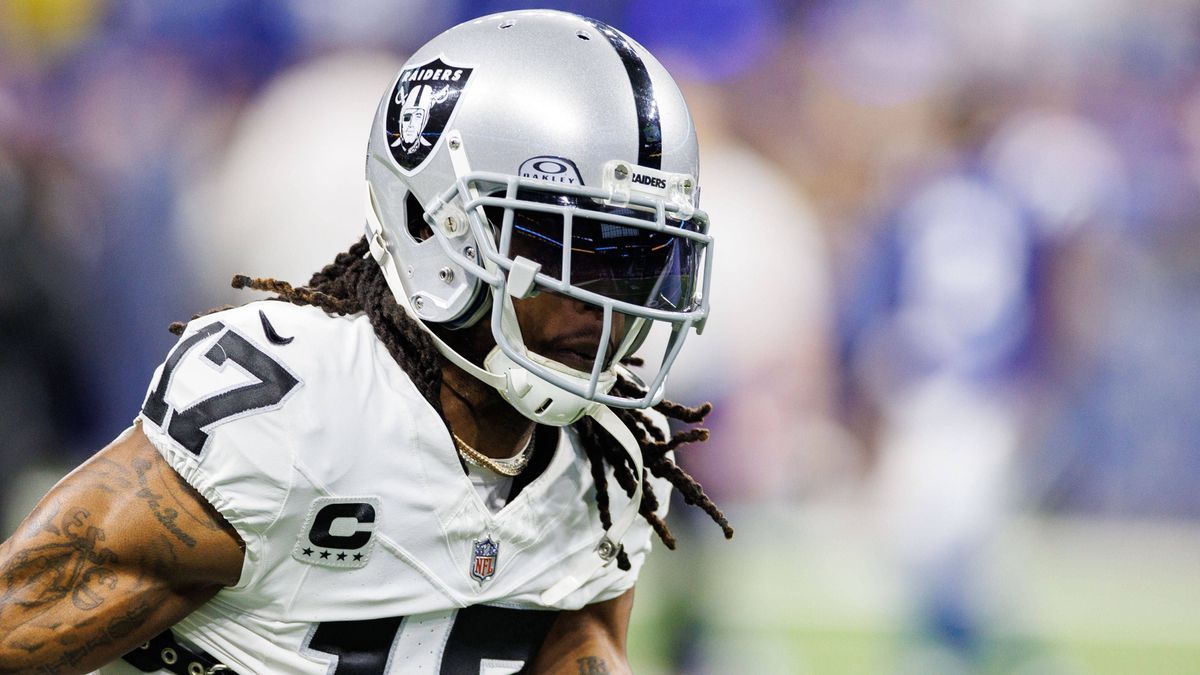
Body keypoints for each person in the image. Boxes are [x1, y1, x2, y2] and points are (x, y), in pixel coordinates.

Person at [0, 10, 732, 674]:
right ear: (431, 225)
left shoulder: (611, 454)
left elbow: (580, 644)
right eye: (570, 249)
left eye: (640, 260)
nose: (608, 305)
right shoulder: (293, 409)